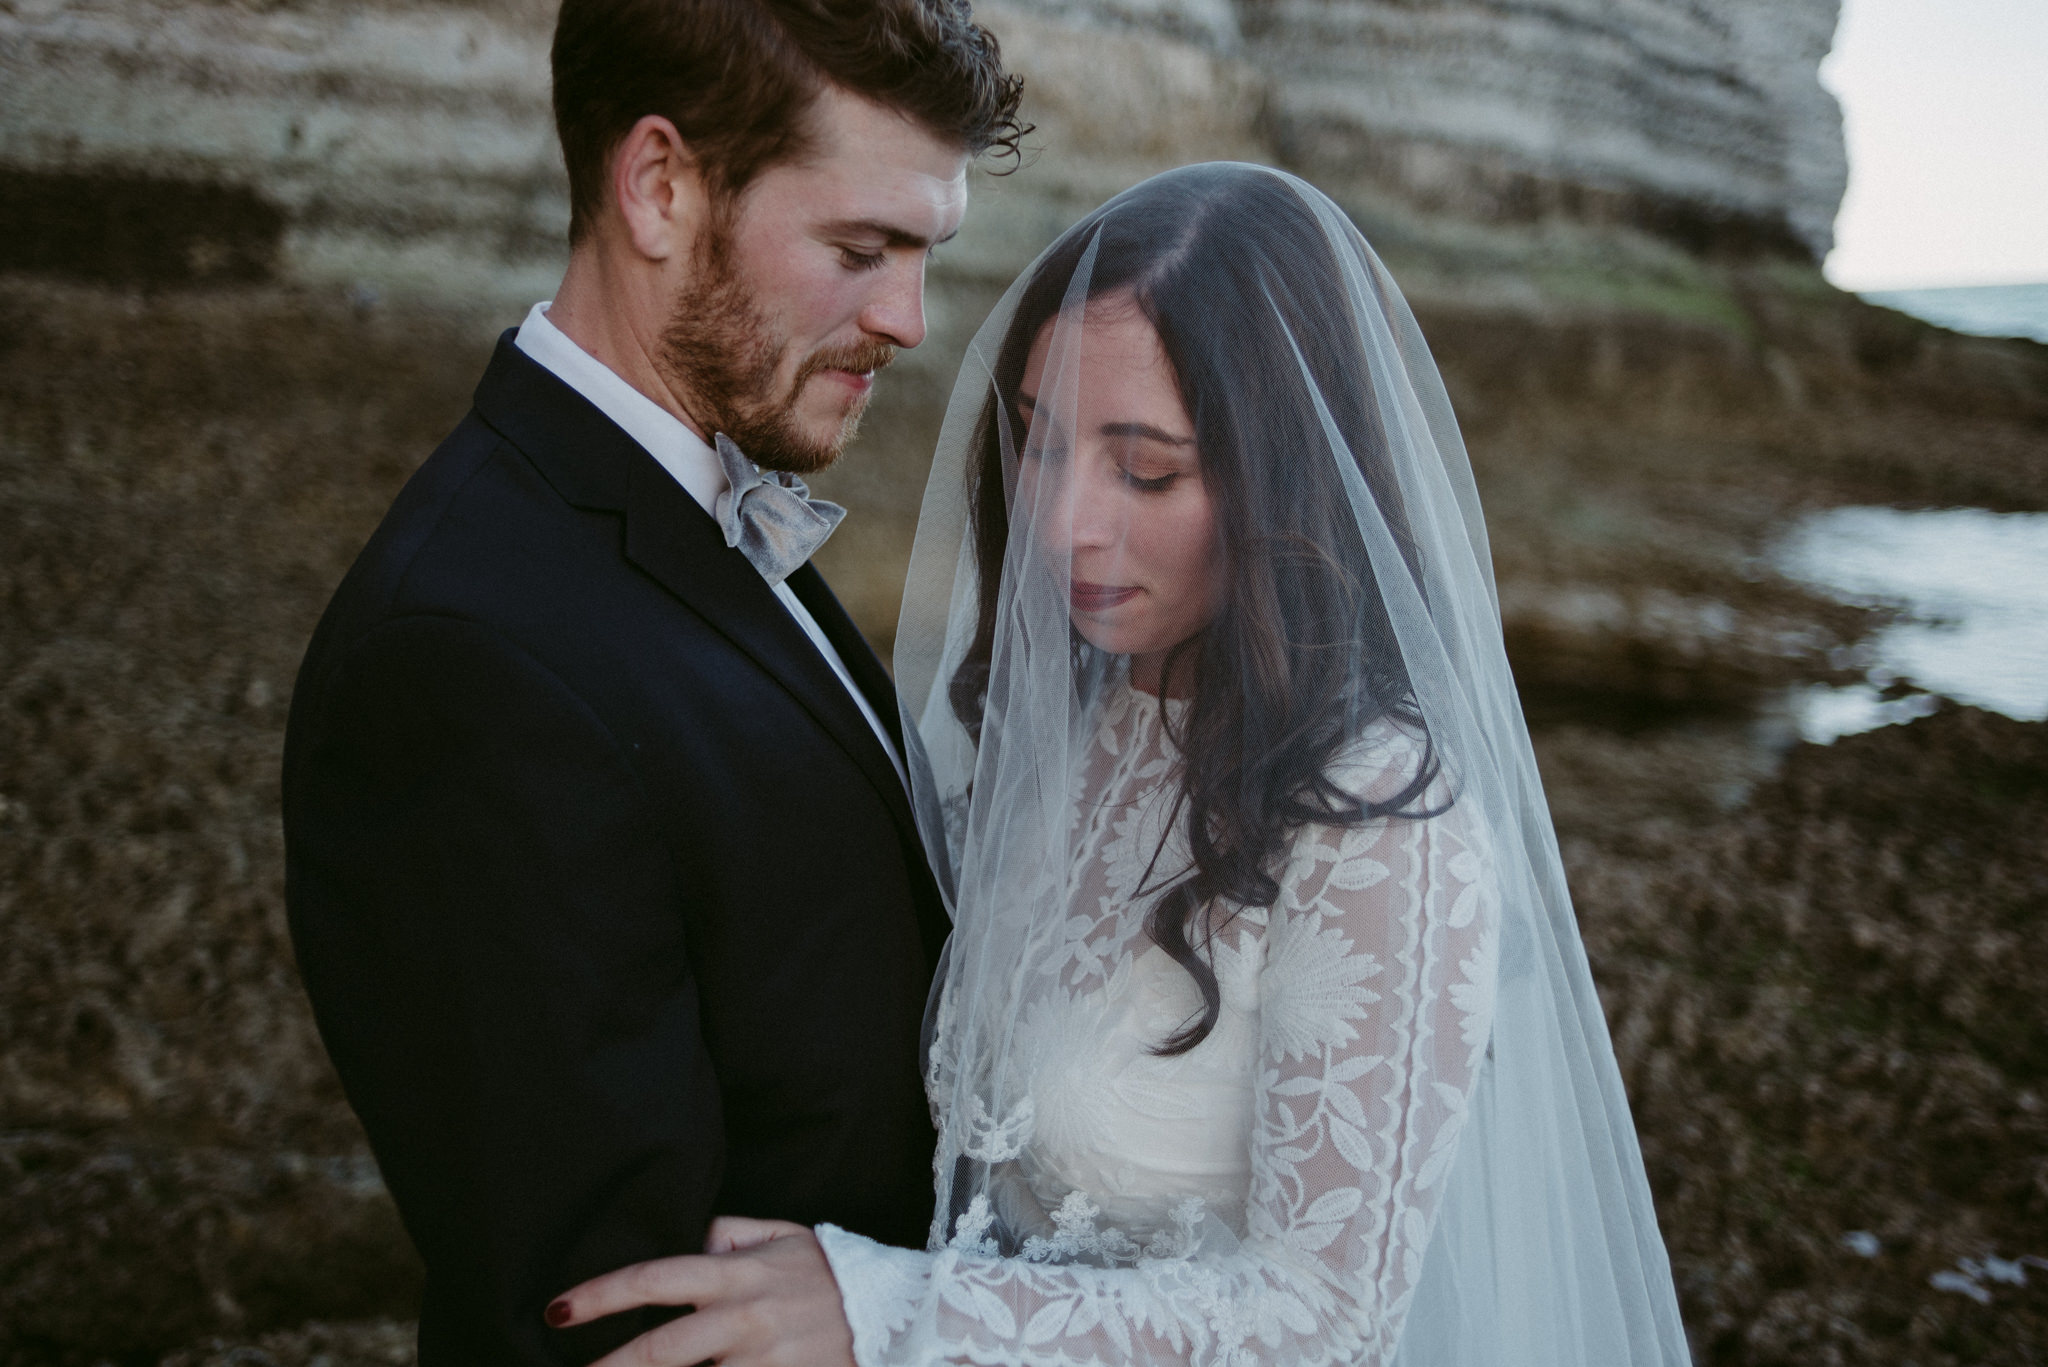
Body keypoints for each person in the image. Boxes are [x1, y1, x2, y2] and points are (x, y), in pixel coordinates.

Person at [547, 162, 1692, 1366]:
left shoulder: (1375, 823)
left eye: (1145, 469)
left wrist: (888, 1312)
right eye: (1039, 443)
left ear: (1279, 480)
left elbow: (1326, 1319)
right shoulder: (1056, 723)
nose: (1061, 524)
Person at [280, 2, 1022, 1362]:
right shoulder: (464, 656)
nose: (910, 320)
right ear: (661, 187)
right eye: (862, 249)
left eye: (927, 253)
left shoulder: (698, 500)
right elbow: (604, 1304)